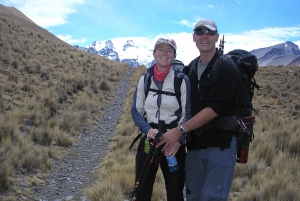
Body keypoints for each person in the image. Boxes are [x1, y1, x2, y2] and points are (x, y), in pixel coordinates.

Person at [156, 19, 240, 201]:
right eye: (200, 31)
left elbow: (215, 109)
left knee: (212, 197)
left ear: (216, 38)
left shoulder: (227, 67)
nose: (205, 36)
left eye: (210, 32)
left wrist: (178, 132)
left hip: (221, 144)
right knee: (193, 196)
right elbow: (185, 107)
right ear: (194, 37)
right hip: (195, 146)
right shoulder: (190, 69)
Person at [131, 37, 191, 201]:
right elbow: (135, 111)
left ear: (174, 55)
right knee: (142, 188)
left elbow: (188, 113)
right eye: (160, 49)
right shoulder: (145, 80)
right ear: (154, 53)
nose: (164, 53)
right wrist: (148, 130)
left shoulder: (181, 80)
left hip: (173, 142)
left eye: (169, 50)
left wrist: (179, 139)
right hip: (149, 140)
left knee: (175, 190)